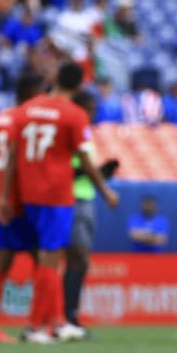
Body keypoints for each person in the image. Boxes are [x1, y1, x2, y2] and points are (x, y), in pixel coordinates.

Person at [0, 62, 119, 343]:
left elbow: (13, 154)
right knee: (49, 261)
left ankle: (53, 322)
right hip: (57, 195)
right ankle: (35, 326)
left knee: (45, 258)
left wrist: (5, 195)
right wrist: (105, 191)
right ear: (79, 86)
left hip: (29, 194)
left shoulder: (27, 109)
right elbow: (86, 160)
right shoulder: (74, 115)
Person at [0, 72, 45, 344]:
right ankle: (37, 324)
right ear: (31, 89)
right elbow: (20, 164)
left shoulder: (0, 119)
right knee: (44, 258)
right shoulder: (26, 119)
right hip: (16, 201)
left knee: (0, 263)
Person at [60, 86, 119, 340]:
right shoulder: (74, 132)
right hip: (73, 200)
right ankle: (67, 317)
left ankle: (68, 316)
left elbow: (80, 170)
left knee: (79, 260)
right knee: (77, 259)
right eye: (91, 110)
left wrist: (100, 173)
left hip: (84, 199)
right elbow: (69, 170)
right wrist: (100, 180)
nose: (94, 114)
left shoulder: (84, 134)